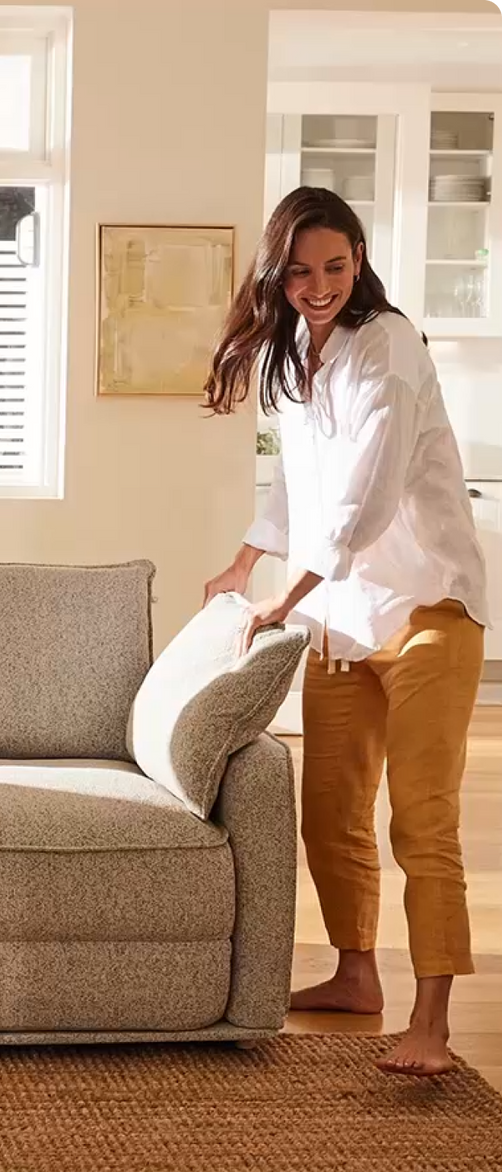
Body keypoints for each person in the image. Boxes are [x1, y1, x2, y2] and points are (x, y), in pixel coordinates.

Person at [203, 186, 488, 1078]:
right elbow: (299, 483)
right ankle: (354, 974)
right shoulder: (297, 352)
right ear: (276, 275)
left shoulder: (390, 348)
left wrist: (282, 602)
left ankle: (431, 1020)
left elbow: (364, 498)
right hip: (341, 619)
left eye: (333, 265)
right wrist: (245, 563)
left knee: (422, 818)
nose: (316, 285)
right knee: (328, 813)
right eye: (298, 271)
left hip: (428, 611)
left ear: (358, 259)